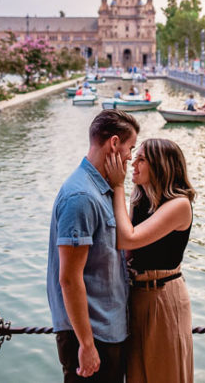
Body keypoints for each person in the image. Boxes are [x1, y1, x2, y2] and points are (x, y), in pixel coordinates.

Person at [47, 110, 140, 382]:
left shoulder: (100, 190)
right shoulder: (82, 197)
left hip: (105, 331)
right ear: (114, 143)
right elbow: (69, 279)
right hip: (92, 336)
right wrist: (86, 345)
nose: (130, 157)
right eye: (130, 148)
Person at [105, 138, 195, 383]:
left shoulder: (180, 204)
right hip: (137, 296)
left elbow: (127, 239)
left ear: (160, 165)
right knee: (136, 376)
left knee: (165, 374)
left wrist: (118, 185)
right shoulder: (141, 199)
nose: (133, 163)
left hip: (163, 297)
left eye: (141, 159)